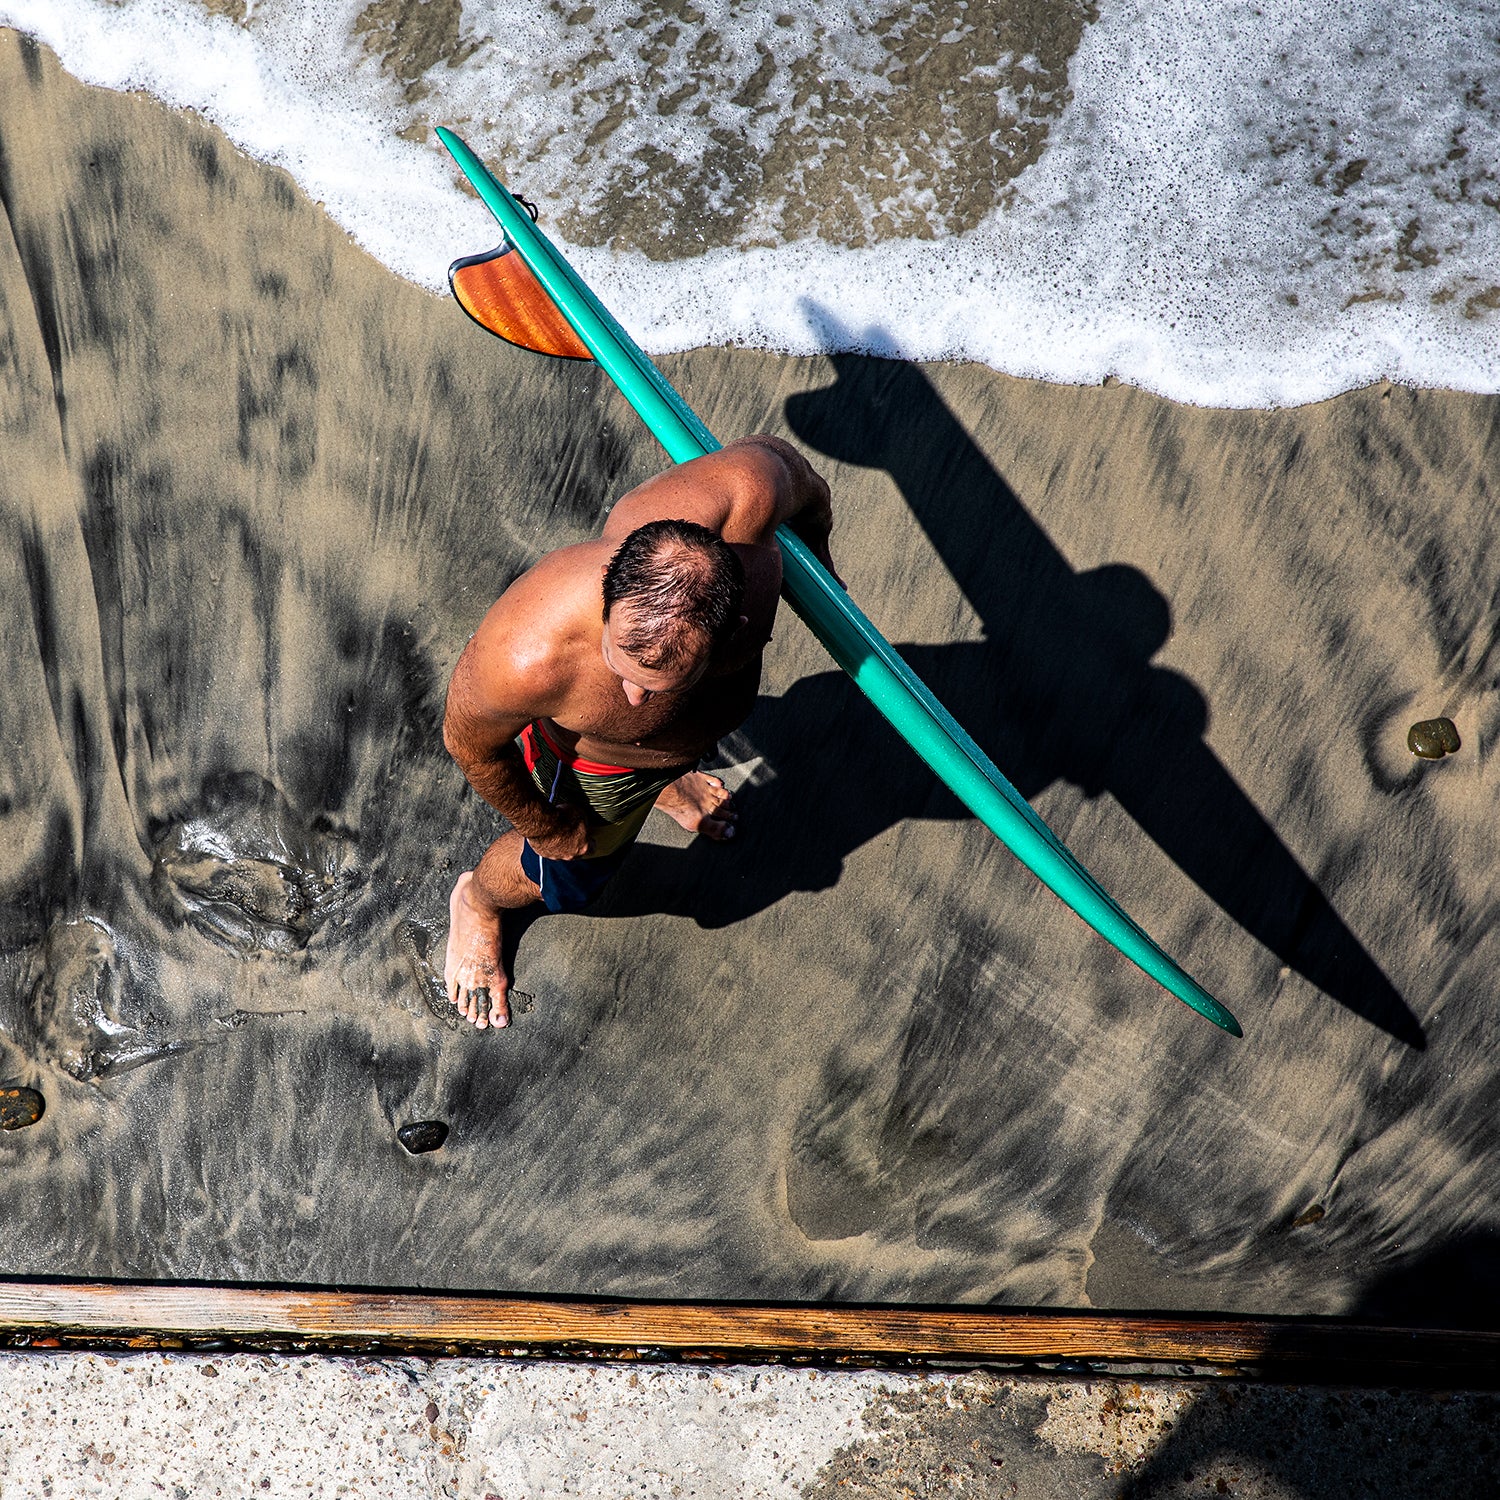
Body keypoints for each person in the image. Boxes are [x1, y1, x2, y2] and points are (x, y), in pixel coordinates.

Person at [441, 434, 836, 1028]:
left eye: (654, 686)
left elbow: (812, 489)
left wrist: (824, 570)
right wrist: (546, 828)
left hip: (682, 743)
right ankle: (479, 900)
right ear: (610, 593)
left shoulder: (749, 489)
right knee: (569, 879)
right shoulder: (527, 655)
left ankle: (670, 784)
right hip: (592, 765)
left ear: (734, 626)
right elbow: (467, 744)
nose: (631, 696)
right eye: (620, 669)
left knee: (674, 740)